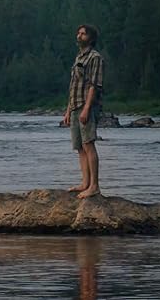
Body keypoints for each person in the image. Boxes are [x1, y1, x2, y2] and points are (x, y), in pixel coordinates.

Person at [63, 24, 104, 199]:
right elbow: (73, 86)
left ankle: (94, 186)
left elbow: (94, 86)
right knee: (79, 147)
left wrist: (86, 109)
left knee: (88, 144)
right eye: (78, 33)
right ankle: (85, 183)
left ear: (91, 38)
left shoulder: (95, 58)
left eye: (83, 34)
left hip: (86, 106)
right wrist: (67, 110)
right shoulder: (79, 56)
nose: (78, 36)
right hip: (74, 106)